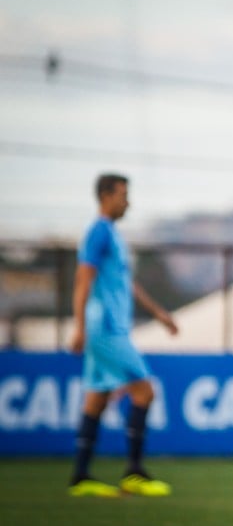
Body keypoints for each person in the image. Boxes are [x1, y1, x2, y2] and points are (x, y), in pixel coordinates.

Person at [67, 173, 179, 498]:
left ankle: (81, 476)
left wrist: (158, 313)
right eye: (123, 195)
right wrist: (78, 326)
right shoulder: (98, 232)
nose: (128, 201)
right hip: (105, 329)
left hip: (107, 327)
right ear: (106, 196)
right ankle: (134, 472)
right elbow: (82, 279)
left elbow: (125, 284)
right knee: (145, 391)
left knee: (97, 398)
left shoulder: (112, 235)